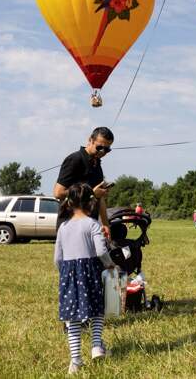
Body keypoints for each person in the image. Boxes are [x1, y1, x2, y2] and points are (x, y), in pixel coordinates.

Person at [53, 183, 114, 374]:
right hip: (90, 272)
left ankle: (76, 361)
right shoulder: (93, 224)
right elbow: (101, 250)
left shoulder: (63, 227)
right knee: (96, 311)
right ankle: (96, 345)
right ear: (91, 203)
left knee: (73, 319)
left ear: (69, 203)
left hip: (68, 274)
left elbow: (57, 257)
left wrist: (64, 273)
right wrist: (110, 264)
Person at [54, 127, 114, 236]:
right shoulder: (75, 159)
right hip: (71, 226)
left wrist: (105, 224)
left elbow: (99, 198)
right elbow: (58, 193)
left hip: (90, 226)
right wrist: (91, 193)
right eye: (99, 147)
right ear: (90, 140)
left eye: (107, 149)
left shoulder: (97, 165)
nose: (102, 151)